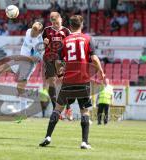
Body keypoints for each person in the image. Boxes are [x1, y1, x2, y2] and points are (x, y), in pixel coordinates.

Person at [39, 15, 105, 149]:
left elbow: (58, 61)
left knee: (57, 109)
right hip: (83, 79)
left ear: (69, 26)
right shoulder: (87, 38)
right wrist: (101, 72)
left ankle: (48, 136)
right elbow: (94, 58)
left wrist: (60, 73)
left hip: (68, 80)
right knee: (84, 111)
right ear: (81, 25)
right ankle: (84, 142)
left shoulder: (65, 40)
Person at [42, 12, 70, 111]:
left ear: (61, 20)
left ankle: (68, 107)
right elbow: (41, 47)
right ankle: (55, 107)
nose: (55, 25)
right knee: (52, 81)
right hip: (49, 59)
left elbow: (69, 46)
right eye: (53, 23)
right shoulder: (46, 30)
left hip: (61, 59)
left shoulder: (66, 31)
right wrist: (44, 44)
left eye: (57, 23)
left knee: (64, 81)